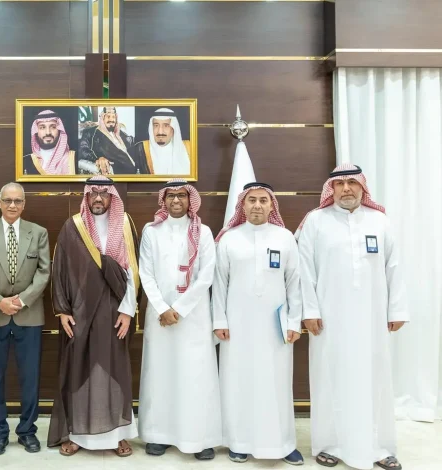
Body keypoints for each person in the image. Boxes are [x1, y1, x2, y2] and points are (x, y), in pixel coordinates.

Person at [296, 163, 407, 470]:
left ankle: (379, 446)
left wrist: (397, 309)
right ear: (331, 189)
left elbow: (394, 267)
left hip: (372, 316)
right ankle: (328, 445)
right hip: (328, 319)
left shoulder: (380, 221)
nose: (346, 189)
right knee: (330, 377)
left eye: (352, 183)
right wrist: (309, 311)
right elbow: (305, 270)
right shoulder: (315, 221)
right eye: (339, 184)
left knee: (375, 378)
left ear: (362, 187)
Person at [47, 175, 140, 457]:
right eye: (93, 193)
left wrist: (128, 310)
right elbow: (60, 270)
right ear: (86, 196)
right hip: (80, 313)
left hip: (114, 312)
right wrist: (62, 310)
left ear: (113, 197)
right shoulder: (73, 226)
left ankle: (119, 435)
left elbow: (133, 272)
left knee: (115, 370)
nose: (98, 198)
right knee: (80, 369)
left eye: (104, 193)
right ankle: (77, 435)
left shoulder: (124, 224)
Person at [212, 182, 304, 466]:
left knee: (276, 382)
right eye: (251, 200)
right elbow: (219, 284)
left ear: (271, 205)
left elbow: (295, 282)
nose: (257, 205)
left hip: (275, 325)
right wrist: (219, 320)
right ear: (242, 204)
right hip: (236, 324)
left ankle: (283, 443)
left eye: (263, 200)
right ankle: (238, 442)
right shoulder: (229, 239)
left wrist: (294, 321)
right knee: (237, 380)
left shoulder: (285, 237)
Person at [137, 179, 221, 460]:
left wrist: (180, 309)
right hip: (159, 316)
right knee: (160, 375)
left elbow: (206, 275)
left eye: (181, 195)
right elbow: (145, 273)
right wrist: (163, 308)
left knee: (195, 375)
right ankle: (158, 435)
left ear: (190, 199)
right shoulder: (151, 231)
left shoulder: (203, 232)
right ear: (163, 200)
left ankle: (200, 437)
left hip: (194, 317)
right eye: (171, 196)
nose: (176, 200)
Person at [0, 182, 51, 455]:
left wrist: (22, 300)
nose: (12, 205)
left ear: (24, 204)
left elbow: (44, 272)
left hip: (29, 314)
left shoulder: (38, 233)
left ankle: (27, 431)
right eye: (8, 200)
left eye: (18, 201)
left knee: (30, 377)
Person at [78, 107, 144, 174]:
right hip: (118, 171)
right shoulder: (91, 132)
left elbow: (133, 143)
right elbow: (82, 149)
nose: (111, 120)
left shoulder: (120, 133)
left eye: (113, 117)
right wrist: (97, 158)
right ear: (102, 118)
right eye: (108, 116)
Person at [131, 108, 192, 175]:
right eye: (156, 125)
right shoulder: (140, 149)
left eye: (166, 126)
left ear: (173, 128)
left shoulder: (190, 148)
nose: (160, 132)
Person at [23, 110, 76, 175]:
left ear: (59, 130)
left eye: (53, 127)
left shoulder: (73, 159)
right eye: (42, 127)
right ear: (36, 131)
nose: (48, 132)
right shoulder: (25, 161)